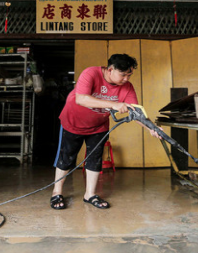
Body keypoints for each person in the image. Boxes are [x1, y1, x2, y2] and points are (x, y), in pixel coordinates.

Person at [50, 53, 161, 210]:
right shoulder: (91, 73)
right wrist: (113, 104)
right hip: (73, 122)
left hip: (98, 126)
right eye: (123, 75)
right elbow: (81, 99)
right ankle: (56, 193)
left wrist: (152, 128)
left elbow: (135, 113)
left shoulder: (127, 87)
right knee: (67, 157)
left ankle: (89, 194)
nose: (126, 79)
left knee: (95, 159)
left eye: (129, 75)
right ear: (110, 70)